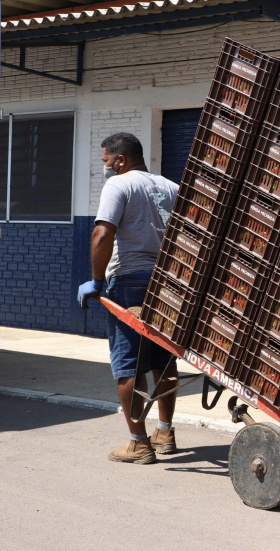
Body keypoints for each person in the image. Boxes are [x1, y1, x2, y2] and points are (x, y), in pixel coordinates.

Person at [77, 132, 181, 464]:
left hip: (129, 282)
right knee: (164, 360)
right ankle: (164, 431)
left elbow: (102, 233)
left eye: (107, 161)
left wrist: (95, 280)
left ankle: (138, 442)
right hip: (166, 283)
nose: (106, 167)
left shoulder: (119, 185)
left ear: (120, 159)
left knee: (128, 364)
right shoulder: (170, 187)